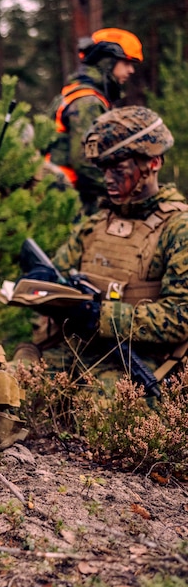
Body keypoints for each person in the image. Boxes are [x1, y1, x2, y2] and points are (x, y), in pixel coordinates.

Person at [15, 107, 188, 390]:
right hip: (73, 350)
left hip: (138, 361)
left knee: (98, 408)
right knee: (5, 385)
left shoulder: (179, 229)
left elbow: (179, 317)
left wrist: (100, 315)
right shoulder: (96, 223)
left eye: (119, 171)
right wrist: (42, 284)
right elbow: (53, 276)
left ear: (153, 163)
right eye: (104, 170)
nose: (108, 179)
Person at [46, 28, 143, 214]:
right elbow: (84, 164)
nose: (131, 70)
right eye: (127, 62)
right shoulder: (88, 102)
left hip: (60, 195)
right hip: (67, 201)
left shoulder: (76, 93)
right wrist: (127, 193)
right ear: (107, 61)